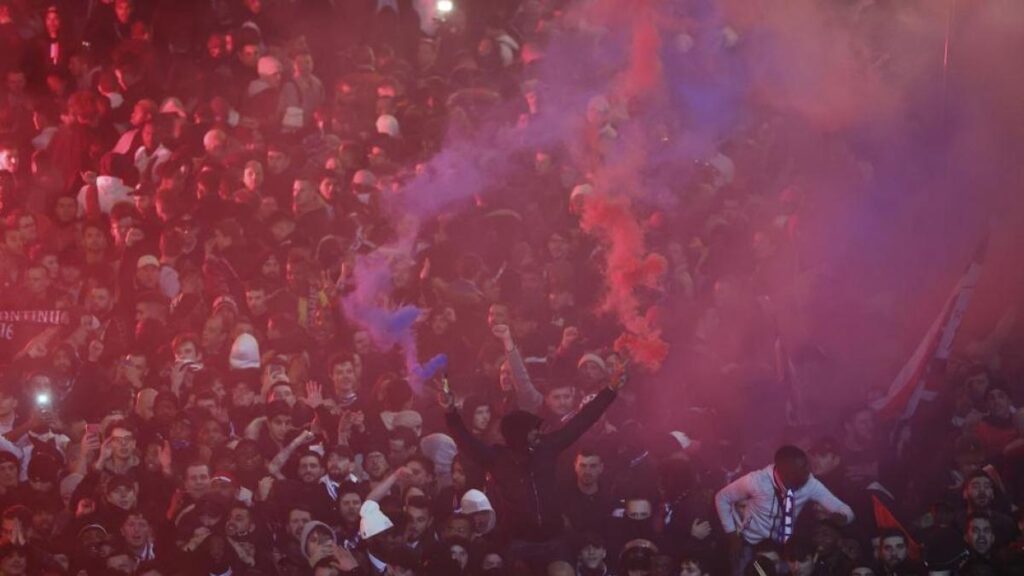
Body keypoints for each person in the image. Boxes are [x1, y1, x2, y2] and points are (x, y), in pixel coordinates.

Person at [442, 369, 624, 571]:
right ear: (518, 434)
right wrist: (450, 412)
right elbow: (466, 441)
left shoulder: (547, 447)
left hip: (553, 539)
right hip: (518, 542)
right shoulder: (496, 458)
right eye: (532, 429)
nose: (538, 432)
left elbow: (581, 422)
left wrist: (610, 390)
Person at [716, 445, 854, 576]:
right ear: (785, 472)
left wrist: (842, 517)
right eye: (802, 468)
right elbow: (722, 498)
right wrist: (732, 534)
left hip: (782, 546)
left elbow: (845, 510)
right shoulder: (757, 481)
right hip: (751, 544)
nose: (808, 470)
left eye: (806, 465)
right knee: (747, 572)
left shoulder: (810, 484)